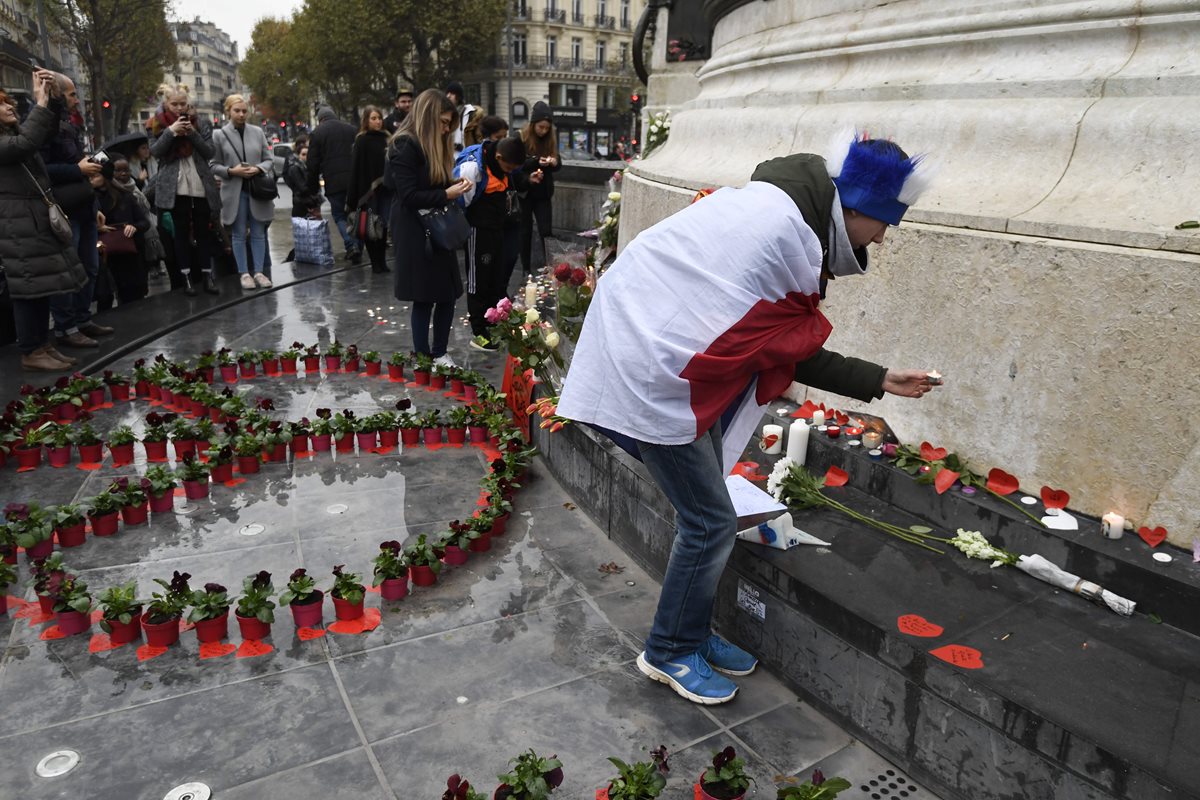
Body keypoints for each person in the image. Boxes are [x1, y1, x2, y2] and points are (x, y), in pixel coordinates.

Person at [555, 131, 939, 705]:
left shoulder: (786, 216)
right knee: (709, 520)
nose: (881, 239)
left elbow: (775, 338)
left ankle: (690, 634)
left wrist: (878, 379)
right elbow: (787, 343)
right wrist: (877, 377)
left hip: (672, 361)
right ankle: (668, 651)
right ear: (856, 209)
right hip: (655, 367)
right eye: (884, 224)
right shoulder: (782, 233)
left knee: (708, 515)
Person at [1, 73, 87, 371]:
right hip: (16, 222)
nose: (10, 107)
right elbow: (26, 144)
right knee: (27, 288)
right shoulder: (6, 141)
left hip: (31, 218)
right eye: (1, 104)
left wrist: (52, 98)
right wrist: (39, 103)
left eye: (8, 101)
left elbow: (44, 135)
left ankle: (41, 344)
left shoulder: (11, 133)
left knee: (41, 285)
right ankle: (31, 349)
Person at [384, 88, 472, 367]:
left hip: (436, 228)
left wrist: (452, 187)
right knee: (424, 297)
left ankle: (440, 353)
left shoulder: (433, 145)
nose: (447, 130)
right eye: (444, 123)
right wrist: (448, 194)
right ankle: (424, 356)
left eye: (450, 124)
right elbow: (408, 195)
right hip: (415, 230)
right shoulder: (404, 145)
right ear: (428, 117)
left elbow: (430, 186)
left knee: (448, 292)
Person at [42, 72, 110, 348]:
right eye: (71, 94)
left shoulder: (70, 125)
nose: (77, 100)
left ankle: (82, 319)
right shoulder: (46, 127)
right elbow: (42, 169)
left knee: (89, 268)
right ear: (57, 95)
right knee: (68, 272)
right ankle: (65, 327)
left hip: (82, 205)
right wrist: (77, 169)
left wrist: (93, 204)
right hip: (65, 209)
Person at [454, 136, 539, 348]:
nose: (510, 171)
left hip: (497, 228)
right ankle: (479, 332)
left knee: (495, 278)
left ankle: (493, 324)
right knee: (478, 281)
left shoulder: (503, 163)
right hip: (477, 230)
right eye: (508, 167)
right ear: (499, 157)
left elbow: (515, 176)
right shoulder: (473, 168)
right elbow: (461, 202)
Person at [147, 83, 222, 296]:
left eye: (183, 104)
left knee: (203, 230)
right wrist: (171, 132)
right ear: (166, 103)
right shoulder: (155, 124)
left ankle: (208, 277)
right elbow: (155, 151)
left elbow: (209, 152)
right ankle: (186, 278)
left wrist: (192, 134)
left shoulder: (202, 122)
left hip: (199, 181)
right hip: (174, 185)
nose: (179, 108)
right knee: (180, 232)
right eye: (174, 104)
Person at [211, 94, 275, 289]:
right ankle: (244, 273)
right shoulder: (219, 135)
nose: (241, 114)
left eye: (244, 111)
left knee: (258, 233)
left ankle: (259, 272)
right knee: (238, 234)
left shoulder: (257, 132)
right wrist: (232, 171)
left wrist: (258, 168)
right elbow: (213, 164)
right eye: (236, 110)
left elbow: (269, 159)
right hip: (234, 191)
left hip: (257, 191)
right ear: (228, 112)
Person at [306, 105, 360, 263]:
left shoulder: (317, 133)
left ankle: (351, 245)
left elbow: (312, 165)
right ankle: (357, 244)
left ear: (320, 119)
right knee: (354, 213)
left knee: (339, 215)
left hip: (334, 182)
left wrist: (313, 190)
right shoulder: (351, 129)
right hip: (354, 181)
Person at [94, 159, 150, 305]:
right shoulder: (89, 200)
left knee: (133, 296)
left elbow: (144, 222)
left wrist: (134, 227)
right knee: (104, 298)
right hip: (104, 256)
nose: (91, 180)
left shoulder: (125, 196)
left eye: (95, 176)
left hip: (128, 254)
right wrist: (98, 229)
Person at [346, 105, 392, 274]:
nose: (377, 121)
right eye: (373, 118)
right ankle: (375, 263)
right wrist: (355, 196)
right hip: (370, 191)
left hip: (386, 189)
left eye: (379, 118)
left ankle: (382, 261)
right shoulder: (362, 140)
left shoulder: (387, 138)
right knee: (372, 227)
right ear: (366, 120)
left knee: (384, 225)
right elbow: (357, 169)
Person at [518, 102, 561, 275]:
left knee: (546, 230)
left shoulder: (550, 140)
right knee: (525, 230)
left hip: (543, 192)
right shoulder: (521, 138)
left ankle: (548, 265)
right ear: (533, 124)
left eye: (546, 128)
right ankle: (525, 268)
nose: (543, 131)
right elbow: (517, 164)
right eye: (540, 127)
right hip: (525, 191)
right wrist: (536, 161)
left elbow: (558, 164)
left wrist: (554, 162)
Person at [111, 157, 167, 285]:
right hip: (122, 238)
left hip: (141, 232)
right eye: (118, 170)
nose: (123, 173)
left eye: (126, 170)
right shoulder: (113, 192)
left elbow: (145, 210)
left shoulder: (134, 186)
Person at [284, 136, 321, 219]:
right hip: (303, 203)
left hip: (311, 202)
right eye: (303, 154)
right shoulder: (295, 168)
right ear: (298, 155)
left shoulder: (310, 167)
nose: (306, 157)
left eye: (308, 154)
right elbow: (302, 187)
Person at [445, 82, 481, 152]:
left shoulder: (470, 114)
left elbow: (478, 138)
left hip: (467, 157)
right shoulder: (445, 114)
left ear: (459, 96)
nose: (448, 96)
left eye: (452, 93)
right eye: (447, 93)